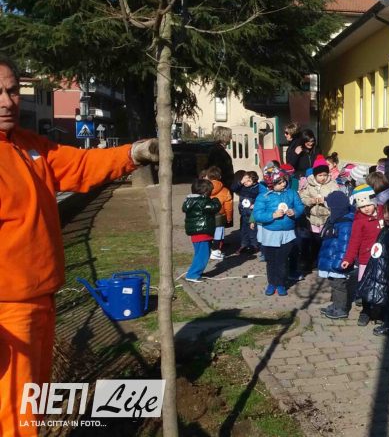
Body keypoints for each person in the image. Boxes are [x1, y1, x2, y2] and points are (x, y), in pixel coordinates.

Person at [0, 56, 159, 435]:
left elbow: (81, 165)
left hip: (40, 301)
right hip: (7, 312)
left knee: (30, 407)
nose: (7, 102)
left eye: (12, 91)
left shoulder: (28, 146)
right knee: (15, 416)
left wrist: (132, 154)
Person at [357, 198, 389, 336]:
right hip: (381, 268)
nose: (386, 216)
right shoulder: (386, 230)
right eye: (385, 213)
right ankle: (380, 316)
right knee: (382, 296)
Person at [251, 167, 304, 296]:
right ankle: (271, 283)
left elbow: (300, 206)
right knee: (271, 260)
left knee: (282, 260)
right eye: (279, 183)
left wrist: (294, 212)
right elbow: (257, 214)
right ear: (271, 184)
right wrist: (272, 215)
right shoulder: (264, 196)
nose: (283, 184)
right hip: (270, 233)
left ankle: (281, 283)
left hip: (287, 233)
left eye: (284, 181)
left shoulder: (291, 193)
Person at [341, 185, 384, 326]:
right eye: (362, 206)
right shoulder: (359, 221)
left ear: (374, 202)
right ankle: (365, 312)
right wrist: (348, 258)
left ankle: (379, 311)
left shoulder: (384, 214)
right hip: (366, 259)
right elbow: (354, 241)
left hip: (383, 259)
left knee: (381, 286)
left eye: (368, 205)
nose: (366, 209)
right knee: (366, 287)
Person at [317, 192, 357, 319]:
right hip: (331, 257)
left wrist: (339, 262)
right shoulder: (335, 219)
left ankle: (341, 308)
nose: (329, 210)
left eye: (330, 207)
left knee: (339, 285)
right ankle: (335, 304)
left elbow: (345, 245)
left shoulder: (345, 223)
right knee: (334, 284)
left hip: (337, 260)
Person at [298, 155, 341, 265]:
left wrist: (325, 200)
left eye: (325, 175)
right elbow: (303, 197)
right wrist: (310, 201)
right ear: (315, 175)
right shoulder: (309, 185)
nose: (323, 178)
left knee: (325, 241)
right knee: (314, 241)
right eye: (320, 175)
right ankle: (313, 260)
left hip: (326, 219)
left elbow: (337, 199)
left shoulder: (332, 185)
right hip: (313, 219)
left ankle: (323, 261)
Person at [182, 179, 222, 282]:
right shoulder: (202, 201)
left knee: (199, 254)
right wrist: (216, 200)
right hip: (202, 232)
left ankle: (196, 272)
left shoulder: (190, 201)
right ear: (206, 192)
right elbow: (215, 207)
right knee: (203, 255)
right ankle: (193, 274)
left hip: (196, 233)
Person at [203, 166, 233, 260]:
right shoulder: (225, 190)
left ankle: (207, 251)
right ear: (220, 176)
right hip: (220, 216)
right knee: (219, 234)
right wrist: (229, 218)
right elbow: (228, 207)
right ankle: (216, 251)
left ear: (207, 176)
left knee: (208, 233)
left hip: (206, 215)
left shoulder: (203, 189)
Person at [232, 170, 261, 254]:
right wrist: (241, 182)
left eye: (249, 180)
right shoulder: (241, 187)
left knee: (253, 230)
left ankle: (254, 245)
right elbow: (233, 188)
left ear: (254, 182)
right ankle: (244, 245)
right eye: (245, 179)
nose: (246, 182)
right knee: (243, 230)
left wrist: (257, 204)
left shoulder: (257, 188)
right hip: (243, 213)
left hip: (252, 214)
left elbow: (262, 197)